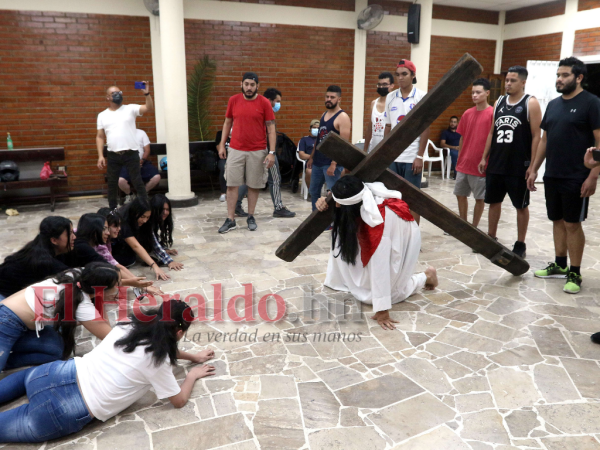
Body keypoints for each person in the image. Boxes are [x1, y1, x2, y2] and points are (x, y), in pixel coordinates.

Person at [0, 299, 215, 443]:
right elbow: (178, 401)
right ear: (179, 332)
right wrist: (192, 375)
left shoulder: (131, 322)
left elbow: (160, 346)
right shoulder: (157, 363)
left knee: (26, 377)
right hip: (65, 408)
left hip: (56, 373)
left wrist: (193, 356)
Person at [316, 176, 438, 330]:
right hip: (384, 231)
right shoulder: (359, 194)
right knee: (346, 243)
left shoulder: (378, 221)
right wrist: (324, 201)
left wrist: (382, 310)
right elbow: (338, 200)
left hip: (400, 237)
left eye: (339, 203)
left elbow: (380, 264)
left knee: (379, 295)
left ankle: (426, 277)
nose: (337, 205)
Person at [527, 57, 600, 294]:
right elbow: (545, 140)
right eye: (558, 75)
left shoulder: (592, 103)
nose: (559, 79)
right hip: (553, 175)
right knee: (557, 220)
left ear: (578, 77)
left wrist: (593, 176)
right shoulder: (554, 105)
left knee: (572, 223)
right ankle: (560, 264)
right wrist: (535, 168)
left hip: (577, 175)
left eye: (565, 75)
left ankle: (575, 272)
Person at [0, 263, 119, 373]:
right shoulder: (82, 305)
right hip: (6, 321)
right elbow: (111, 338)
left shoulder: (79, 274)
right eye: (117, 285)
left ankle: (6, 359)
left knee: (56, 351)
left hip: (20, 322)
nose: (120, 288)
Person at [478, 66, 542, 259]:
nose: (508, 83)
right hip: (497, 163)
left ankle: (520, 243)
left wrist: (532, 166)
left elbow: (536, 136)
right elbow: (492, 132)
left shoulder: (530, 103)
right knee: (493, 202)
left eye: (513, 80)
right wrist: (484, 156)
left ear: (523, 82)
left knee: (520, 206)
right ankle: (491, 237)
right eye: (507, 80)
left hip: (518, 166)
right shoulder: (498, 102)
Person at [217, 72, 276, 233]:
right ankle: (230, 219)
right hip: (235, 149)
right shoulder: (233, 100)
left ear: (258, 86)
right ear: (241, 84)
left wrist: (271, 152)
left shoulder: (264, 103)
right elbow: (227, 122)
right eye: (246, 84)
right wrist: (222, 145)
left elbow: (271, 128)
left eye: (252, 84)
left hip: (257, 150)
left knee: (254, 185)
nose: (249, 87)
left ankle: (250, 216)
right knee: (231, 185)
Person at [235, 88, 296, 218]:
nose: (279, 104)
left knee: (248, 180)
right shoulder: (264, 112)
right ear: (269, 100)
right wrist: (271, 152)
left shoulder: (256, 109)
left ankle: (236, 204)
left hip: (254, 151)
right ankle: (278, 207)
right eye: (277, 101)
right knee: (274, 179)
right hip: (265, 151)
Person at [384, 60, 429, 224]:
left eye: (404, 74)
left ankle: (414, 237)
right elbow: (388, 126)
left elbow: (425, 128)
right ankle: (397, 234)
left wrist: (420, 156)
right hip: (393, 157)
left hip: (411, 157)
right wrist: (385, 153)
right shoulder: (390, 97)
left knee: (413, 200)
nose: (400, 78)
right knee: (393, 198)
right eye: (397, 74)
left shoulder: (421, 96)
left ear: (413, 75)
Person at [96, 82, 154, 210]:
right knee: (112, 184)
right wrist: (100, 155)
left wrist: (146, 93)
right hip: (113, 154)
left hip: (131, 153)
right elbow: (100, 136)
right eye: (114, 93)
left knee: (137, 181)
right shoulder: (102, 115)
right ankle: (113, 211)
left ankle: (146, 208)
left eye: (119, 92)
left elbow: (148, 107)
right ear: (108, 97)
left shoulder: (130, 108)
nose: (117, 95)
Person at [0, 217, 75, 300]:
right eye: (70, 234)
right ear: (54, 240)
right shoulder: (45, 263)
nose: (74, 237)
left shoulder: (40, 246)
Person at [453, 78, 493, 231]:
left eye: (478, 92)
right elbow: (462, 137)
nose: (474, 95)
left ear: (487, 93)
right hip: (464, 163)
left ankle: (474, 228)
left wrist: (485, 159)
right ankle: (463, 224)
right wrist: (460, 157)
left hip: (480, 164)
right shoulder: (467, 113)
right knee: (460, 194)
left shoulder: (491, 114)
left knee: (479, 198)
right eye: (473, 92)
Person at [307, 85, 351, 211]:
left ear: (339, 99)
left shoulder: (342, 117)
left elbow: (343, 144)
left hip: (331, 163)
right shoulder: (324, 114)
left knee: (334, 194)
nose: (329, 99)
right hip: (318, 162)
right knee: (314, 191)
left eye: (332, 97)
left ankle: (332, 220)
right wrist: (311, 157)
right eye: (327, 97)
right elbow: (319, 139)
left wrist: (334, 163)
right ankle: (316, 218)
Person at [111, 198, 171, 280]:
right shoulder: (122, 221)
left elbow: (152, 239)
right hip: (111, 249)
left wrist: (166, 257)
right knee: (129, 260)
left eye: (147, 217)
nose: (145, 220)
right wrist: (155, 267)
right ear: (134, 213)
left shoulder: (142, 222)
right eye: (142, 216)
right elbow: (135, 246)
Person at [118, 128, 161, 203]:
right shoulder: (121, 134)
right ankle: (130, 195)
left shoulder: (141, 133)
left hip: (142, 162)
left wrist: (142, 160)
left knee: (156, 177)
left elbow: (147, 150)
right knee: (120, 181)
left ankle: (142, 194)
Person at [365, 72, 395, 153]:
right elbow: (370, 128)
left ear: (392, 85)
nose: (382, 87)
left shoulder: (395, 104)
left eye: (385, 84)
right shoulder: (374, 103)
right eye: (379, 84)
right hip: (373, 148)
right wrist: (365, 149)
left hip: (388, 150)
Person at [297, 119, 320, 191]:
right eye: (314, 127)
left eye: (318, 128)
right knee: (309, 172)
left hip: (324, 162)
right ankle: (311, 192)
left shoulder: (324, 139)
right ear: (310, 128)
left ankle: (331, 193)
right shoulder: (304, 140)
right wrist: (313, 157)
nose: (316, 129)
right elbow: (301, 155)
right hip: (311, 163)